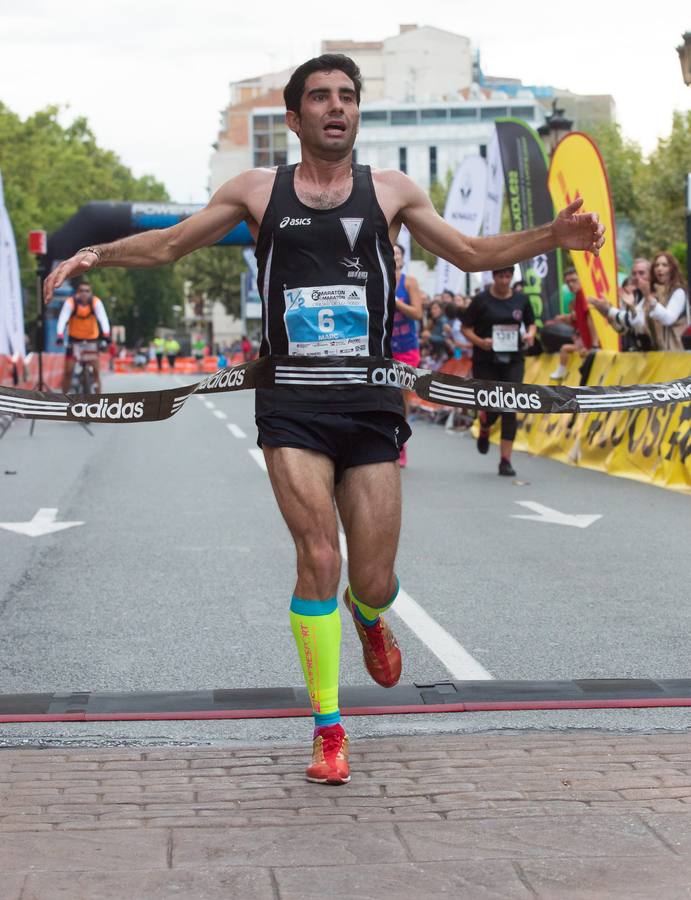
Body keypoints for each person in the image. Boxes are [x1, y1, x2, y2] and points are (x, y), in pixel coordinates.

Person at [44, 54, 604, 785]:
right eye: (321, 97)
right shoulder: (255, 190)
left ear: (355, 112)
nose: (336, 107)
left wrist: (549, 238)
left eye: (347, 96)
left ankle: (369, 615)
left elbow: (469, 253)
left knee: (370, 578)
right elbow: (172, 242)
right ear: (296, 115)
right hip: (292, 405)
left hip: (369, 402)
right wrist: (94, 252)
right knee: (318, 556)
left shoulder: (393, 190)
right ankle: (329, 729)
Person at [461, 266, 537, 477]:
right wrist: (480, 342)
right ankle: (486, 424)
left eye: (508, 276)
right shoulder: (481, 300)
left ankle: (505, 460)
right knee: (492, 405)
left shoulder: (521, 300)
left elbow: (532, 324)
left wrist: (530, 335)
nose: (505, 281)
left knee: (510, 406)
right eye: (501, 276)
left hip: (513, 358)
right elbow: (465, 328)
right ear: (494, 277)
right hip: (486, 359)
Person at [390, 242, 423, 467]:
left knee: (402, 399)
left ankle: (401, 445)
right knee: (384, 397)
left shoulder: (409, 282)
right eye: (391, 253)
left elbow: (418, 313)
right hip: (384, 348)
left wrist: (396, 303)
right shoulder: (376, 279)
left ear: (403, 258)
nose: (395, 257)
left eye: (398, 253)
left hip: (407, 348)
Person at [55, 279, 110, 393]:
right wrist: (60, 335)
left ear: (91, 292)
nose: (84, 293)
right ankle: (63, 399)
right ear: (77, 292)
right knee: (68, 371)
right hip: (74, 339)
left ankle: (99, 399)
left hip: (92, 340)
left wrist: (106, 335)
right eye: (81, 291)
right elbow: (63, 318)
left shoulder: (95, 302)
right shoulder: (70, 302)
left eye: (87, 291)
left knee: (96, 371)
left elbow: (103, 319)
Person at [588, 258, 653, 352]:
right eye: (634, 273)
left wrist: (609, 310)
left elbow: (639, 323)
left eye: (641, 273)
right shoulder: (636, 296)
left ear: (651, 275)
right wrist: (606, 315)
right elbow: (624, 330)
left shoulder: (654, 294)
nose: (637, 277)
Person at [548, 267, 599, 380]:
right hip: (587, 347)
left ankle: (561, 370)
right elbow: (578, 321)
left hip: (593, 349)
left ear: (581, 279)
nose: (570, 284)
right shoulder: (577, 299)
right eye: (568, 282)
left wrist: (594, 346)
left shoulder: (584, 295)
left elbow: (591, 319)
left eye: (574, 280)